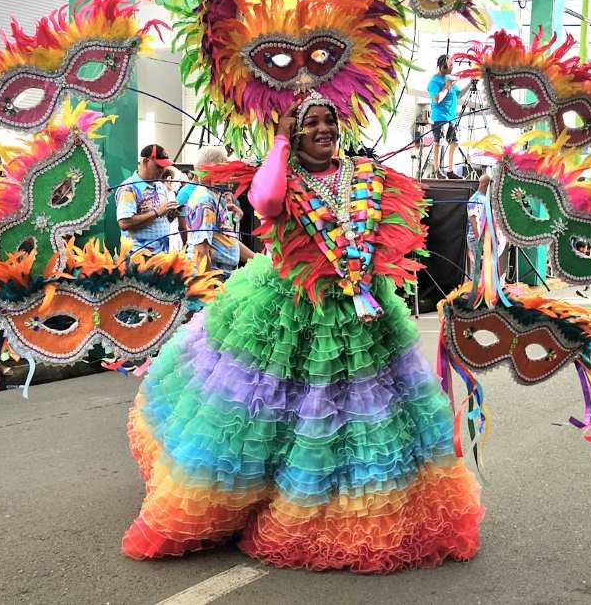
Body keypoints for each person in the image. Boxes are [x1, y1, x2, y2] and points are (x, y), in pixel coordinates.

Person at [122, 97, 484, 571]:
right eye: (309, 123)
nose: (322, 129)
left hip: (361, 312)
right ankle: (254, 499)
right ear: (293, 133)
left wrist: (483, 184)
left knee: (353, 419)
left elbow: (415, 209)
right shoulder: (280, 173)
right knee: (267, 416)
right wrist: (278, 138)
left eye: (329, 121)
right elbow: (267, 202)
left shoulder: (367, 175)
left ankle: (337, 509)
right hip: (287, 307)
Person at [184, 146, 253, 279]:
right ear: (215, 169)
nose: (230, 176)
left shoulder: (215, 195)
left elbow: (226, 239)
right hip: (214, 277)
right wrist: (209, 288)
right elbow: (201, 251)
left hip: (223, 275)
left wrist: (258, 259)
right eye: (226, 170)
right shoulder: (205, 200)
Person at [115, 144, 178, 254]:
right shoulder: (129, 188)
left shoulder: (160, 186)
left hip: (162, 256)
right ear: (145, 161)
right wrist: (157, 212)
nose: (162, 170)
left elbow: (157, 220)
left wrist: (170, 216)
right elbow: (124, 223)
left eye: (164, 167)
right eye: (158, 166)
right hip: (139, 258)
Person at [428, 54, 460, 179]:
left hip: (450, 117)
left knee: (454, 143)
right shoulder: (435, 81)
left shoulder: (448, 79)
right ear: (442, 66)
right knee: (438, 143)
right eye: (450, 65)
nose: (452, 67)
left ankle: (450, 171)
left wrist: (471, 85)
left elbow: (458, 94)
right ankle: (436, 170)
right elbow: (437, 99)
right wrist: (447, 86)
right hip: (439, 117)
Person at [466, 173, 490, 267]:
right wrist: (479, 240)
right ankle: (474, 282)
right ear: (485, 184)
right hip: (477, 238)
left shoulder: (483, 198)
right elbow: (474, 220)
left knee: (482, 268)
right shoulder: (475, 199)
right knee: (478, 268)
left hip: (481, 238)